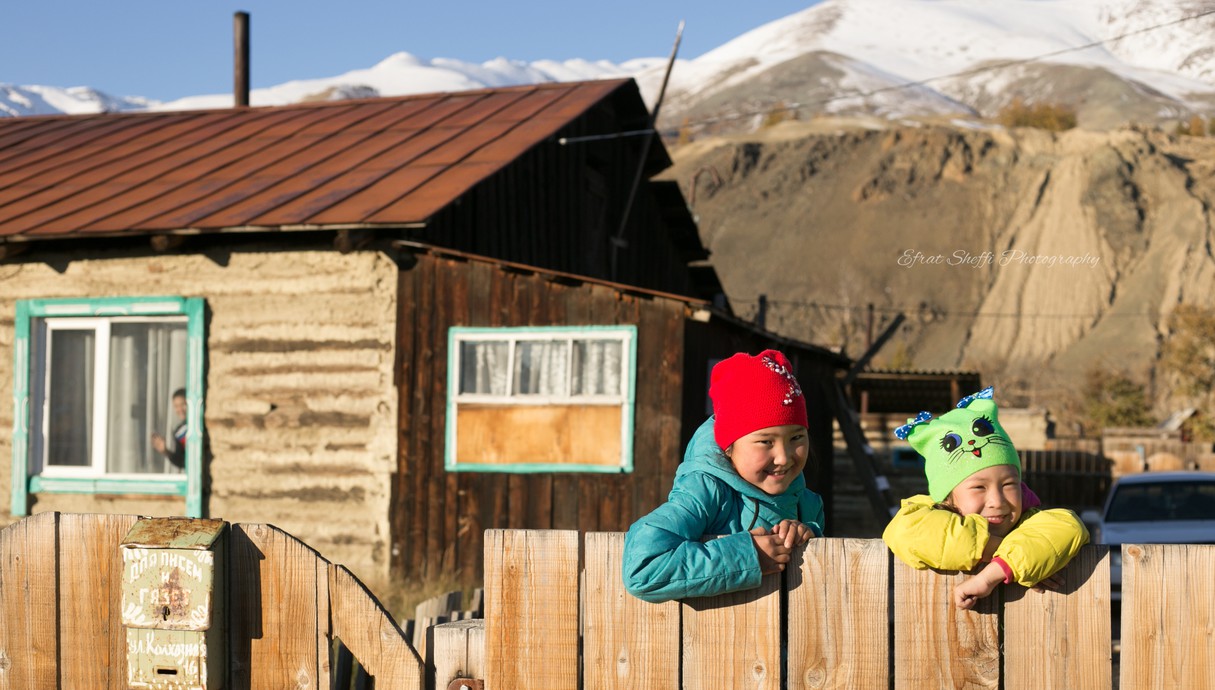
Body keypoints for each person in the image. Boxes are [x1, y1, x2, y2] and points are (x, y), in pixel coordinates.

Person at [622, 349, 825, 603]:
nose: (783, 457)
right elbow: (642, 568)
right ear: (729, 447)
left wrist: (808, 537)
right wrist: (748, 557)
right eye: (765, 441)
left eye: (796, 437)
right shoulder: (706, 492)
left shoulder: (807, 505)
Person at [882, 387, 1089, 609]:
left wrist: (989, 576)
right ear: (947, 497)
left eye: (1009, 484)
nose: (997, 501)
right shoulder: (925, 514)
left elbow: (1068, 526)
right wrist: (1009, 554)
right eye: (979, 487)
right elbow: (906, 530)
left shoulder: (1031, 522)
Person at [151, 388, 187, 470]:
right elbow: (182, 462)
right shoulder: (179, 432)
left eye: (183, 405)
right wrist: (166, 451)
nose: (180, 410)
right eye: (176, 406)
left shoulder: (201, 425)